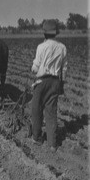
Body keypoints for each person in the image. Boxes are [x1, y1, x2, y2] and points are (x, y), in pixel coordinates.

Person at [30, 19, 67, 152]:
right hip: (55, 82)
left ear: (45, 34)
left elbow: (35, 67)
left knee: (36, 109)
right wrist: (61, 84)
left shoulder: (41, 47)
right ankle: (52, 144)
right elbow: (64, 69)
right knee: (51, 112)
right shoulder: (62, 47)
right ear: (55, 33)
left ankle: (37, 138)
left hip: (42, 82)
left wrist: (33, 69)